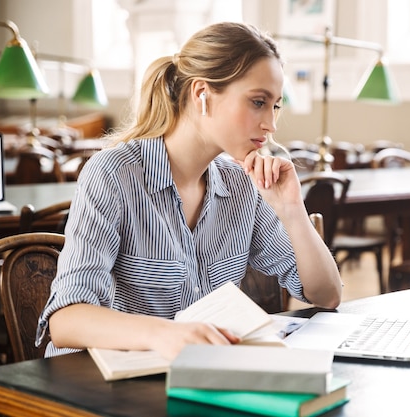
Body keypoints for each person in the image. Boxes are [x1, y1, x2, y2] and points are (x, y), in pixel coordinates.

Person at [36, 22, 342, 360]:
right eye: (258, 102)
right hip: (95, 385)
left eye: (275, 106)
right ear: (202, 95)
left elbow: (326, 295)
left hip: (189, 378)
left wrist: (292, 210)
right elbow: (65, 320)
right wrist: (165, 334)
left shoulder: (242, 185)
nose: (271, 124)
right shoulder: (114, 175)